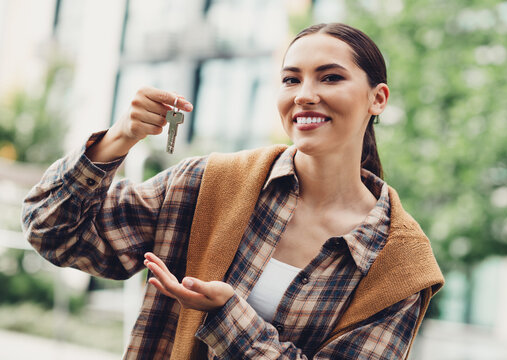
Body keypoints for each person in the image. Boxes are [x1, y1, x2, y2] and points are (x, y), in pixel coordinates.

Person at [22, 23, 444, 359]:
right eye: (290, 79)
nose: (305, 96)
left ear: (378, 99)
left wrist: (228, 316)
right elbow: (52, 231)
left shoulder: (401, 263)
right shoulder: (207, 183)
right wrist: (118, 138)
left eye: (330, 78)